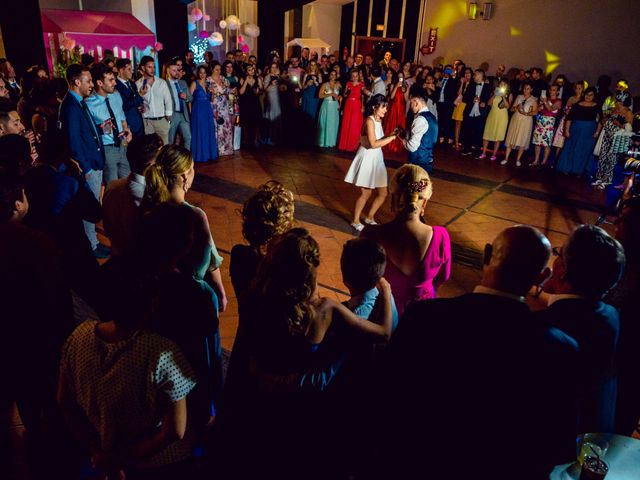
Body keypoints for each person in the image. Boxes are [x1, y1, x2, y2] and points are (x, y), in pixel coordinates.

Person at [381, 225, 568, 479]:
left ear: (487, 254)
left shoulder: (425, 318)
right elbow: (552, 447)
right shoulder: (557, 349)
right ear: (542, 276)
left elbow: (385, 397)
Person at [57, 269, 197, 479]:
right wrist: (123, 458)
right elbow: (176, 431)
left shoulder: (78, 337)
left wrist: (97, 450)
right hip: (156, 462)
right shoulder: (161, 351)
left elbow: (63, 400)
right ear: (152, 304)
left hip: (104, 454)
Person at [0, 173, 75, 480]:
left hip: (8, 344)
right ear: (18, 204)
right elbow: (57, 301)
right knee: (47, 402)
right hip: (38, 342)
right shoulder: (37, 244)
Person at [540, 225, 625, 434]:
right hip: (594, 440)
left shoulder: (544, 327)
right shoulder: (612, 316)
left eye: (558, 253)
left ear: (563, 271)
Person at [142, 145, 227, 311]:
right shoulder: (195, 215)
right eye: (192, 168)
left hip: (160, 293)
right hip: (192, 295)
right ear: (184, 177)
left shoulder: (148, 210)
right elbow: (210, 261)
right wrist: (221, 293)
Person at [361, 164, 450, 316]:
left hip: (382, 315)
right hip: (421, 316)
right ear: (424, 203)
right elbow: (443, 277)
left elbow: (360, 278)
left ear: (393, 198)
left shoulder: (370, 235)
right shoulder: (440, 237)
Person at [58, 63, 108, 258]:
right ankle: (92, 245)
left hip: (93, 162)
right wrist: (86, 168)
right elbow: (73, 140)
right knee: (89, 206)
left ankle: (92, 240)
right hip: (88, 166)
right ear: (77, 82)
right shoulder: (70, 105)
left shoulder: (77, 101)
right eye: (88, 81)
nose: (91, 85)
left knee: (93, 203)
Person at [102, 133, 163, 257]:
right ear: (152, 165)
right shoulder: (153, 197)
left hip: (117, 257)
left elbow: (108, 226)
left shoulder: (112, 186)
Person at [344, 94, 397, 231]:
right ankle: (355, 221)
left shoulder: (378, 121)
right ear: (374, 107)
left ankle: (369, 217)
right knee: (366, 194)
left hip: (377, 158)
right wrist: (391, 138)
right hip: (367, 157)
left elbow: (379, 140)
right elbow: (373, 144)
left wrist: (390, 135)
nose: (385, 110)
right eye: (383, 107)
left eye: (386, 107)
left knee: (383, 193)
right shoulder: (369, 120)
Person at [86, 63, 132, 184]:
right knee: (112, 187)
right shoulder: (89, 104)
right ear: (100, 83)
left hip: (122, 146)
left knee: (128, 183)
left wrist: (128, 131)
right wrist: (101, 129)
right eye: (111, 80)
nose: (115, 83)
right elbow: (87, 131)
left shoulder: (116, 96)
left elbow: (122, 118)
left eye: (114, 79)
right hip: (107, 150)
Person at [556, 86, 601, 176]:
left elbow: (600, 120)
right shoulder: (577, 105)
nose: (588, 97)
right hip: (576, 128)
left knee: (584, 150)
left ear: (594, 96)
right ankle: (567, 168)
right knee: (571, 147)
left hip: (589, 131)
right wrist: (567, 130)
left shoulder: (596, 106)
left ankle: (579, 170)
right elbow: (569, 118)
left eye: (591, 95)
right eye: (587, 95)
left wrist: (597, 132)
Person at [592, 91, 634, 188]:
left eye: (620, 102)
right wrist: (605, 120)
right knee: (602, 157)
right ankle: (599, 178)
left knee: (611, 159)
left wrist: (619, 124)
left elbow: (629, 128)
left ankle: (606, 180)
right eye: (617, 102)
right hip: (606, 135)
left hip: (617, 138)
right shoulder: (613, 110)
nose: (618, 104)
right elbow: (603, 120)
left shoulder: (628, 113)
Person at [136, 56, 173, 145]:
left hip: (162, 120)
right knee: (150, 149)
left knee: (164, 148)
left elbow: (168, 99)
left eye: (154, 67)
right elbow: (137, 102)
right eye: (149, 67)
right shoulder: (137, 84)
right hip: (147, 122)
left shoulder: (161, 82)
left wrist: (168, 116)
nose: (152, 70)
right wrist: (140, 107)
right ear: (143, 68)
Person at [400, 91, 438, 173]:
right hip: (427, 160)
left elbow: (412, 147)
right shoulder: (432, 117)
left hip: (417, 162)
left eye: (411, 103)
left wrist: (402, 138)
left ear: (416, 103)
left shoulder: (420, 119)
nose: (410, 106)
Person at [501, 81, 538, 166]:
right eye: (524, 88)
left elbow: (535, 112)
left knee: (522, 139)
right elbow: (511, 109)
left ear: (531, 89)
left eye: (528, 88)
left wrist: (526, 113)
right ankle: (506, 158)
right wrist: (517, 107)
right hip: (516, 119)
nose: (526, 90)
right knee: (511, 137)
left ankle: (518, 159)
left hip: (526, 121)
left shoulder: (533, 99)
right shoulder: (519, 97)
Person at [189, 65, 218, 163]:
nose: (202, 74)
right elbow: (189, 99)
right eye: (200, 72)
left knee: (208, 130)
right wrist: (190, 111)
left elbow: (211, 99)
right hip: (198, 109)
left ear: (206, 74)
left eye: (204, 73)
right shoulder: (194, 83)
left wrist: (213, 93)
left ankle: (208, 154)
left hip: (207, 109)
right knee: (199, 131)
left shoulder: (208, 84)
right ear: (198, 73)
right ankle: (199, 155)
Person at [460, 69, 491, 156]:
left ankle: (477, 152)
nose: (473, 76)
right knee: (467, 131)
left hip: (480, 113)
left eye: (475, 75)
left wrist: (484, 103)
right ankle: (466, 149)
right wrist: (471, 100)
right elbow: (464, 98)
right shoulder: (471, 85)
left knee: (478, 133)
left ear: (481, 76)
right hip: (470, 112)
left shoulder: (488, 86)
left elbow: (490, 100)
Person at [552, 80, 586, 159]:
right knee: (560, 142)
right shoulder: (571, 98)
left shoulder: (583, 100)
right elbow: (564, 109)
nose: (577, 90)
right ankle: (557, 160)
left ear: (583, 89)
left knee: (570, 142)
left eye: (579, 88)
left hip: (575, 122)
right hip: (566, 120)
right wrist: (566, 110)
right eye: (576, 88)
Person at [479, 80, 512, 160]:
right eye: (501, 84)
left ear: (507, 86)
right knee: (487, 134)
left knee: (498, 136)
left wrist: (503, 96)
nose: (502, 86)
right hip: (492, 115)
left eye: (504, 84)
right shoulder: (495, 92)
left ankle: (494, 154)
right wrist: (494, 94)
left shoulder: (509, 95)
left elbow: (508, 107)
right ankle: (484, 152)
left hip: (502, 117)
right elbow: (489, 103)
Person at [531, 83, 562, 166]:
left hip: (549, 122)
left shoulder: (558, 101)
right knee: (537, 141)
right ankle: (536, 160)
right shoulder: (546, 99)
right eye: (551, 89)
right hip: (541, 120)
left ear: (557, 92)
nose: (552, 91)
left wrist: (545, 102)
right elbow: (538, 109)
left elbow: (551, 109)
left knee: (546, 143)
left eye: (554, 90)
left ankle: (544, 161)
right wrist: (540, 104)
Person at [115, 58, 145, 138]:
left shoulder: (132, 83)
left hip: (139, 123)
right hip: (128, 125)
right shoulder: (115, 86)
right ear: (121, 70)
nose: (132, 71)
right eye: (129, 69)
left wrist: (141, 106)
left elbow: (136, 101)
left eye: (132, 69)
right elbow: (124, 105)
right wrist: (140, 96)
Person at [166, 58, 192, 150]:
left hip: (183, 114)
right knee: (170, 140)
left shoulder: (183, 83)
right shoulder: (164, 84)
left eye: (177, 70)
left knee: (188, 137)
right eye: (174, 70)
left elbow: (191, 98)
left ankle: (186, 160)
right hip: (172, 115)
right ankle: (169, 161)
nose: (176, 72)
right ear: (168, 71)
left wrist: (186, 98)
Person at [209, 62, 234, 155]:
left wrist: (232, 91)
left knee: (226, 126)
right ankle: (218, 150)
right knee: (217, 127)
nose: (219, 71)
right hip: (215, 106)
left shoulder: (223, 79)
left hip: (225, 106)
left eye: (220, 69)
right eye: (216, 69)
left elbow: (229, 92)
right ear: (212, 69)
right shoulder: (208, 80)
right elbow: (208, 95)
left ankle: (227, 149)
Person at [337, 69, 364, 152]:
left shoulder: (361, 84)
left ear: (358, 76)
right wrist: (346, 92)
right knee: (346, 123)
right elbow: (345, 95)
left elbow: (363, 96)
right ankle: (344, 145)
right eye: (353, 76)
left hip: (357, 104)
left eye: (356, 76)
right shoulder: (348, 84)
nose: (355, 77)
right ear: (351, 76)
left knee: (355, 124)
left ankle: (353, 146)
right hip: (348, 104)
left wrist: (363, 106)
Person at [238, 64, 263, 149]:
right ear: (246, 71)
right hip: (246, 103)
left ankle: (256, 140)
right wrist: (246, 80)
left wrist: (258, 91)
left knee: (256, 122)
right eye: (249, 69)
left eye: (252, 69)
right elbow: (241, 92)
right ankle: (245, 141)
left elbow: (261, 90)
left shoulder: (257, 79)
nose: (251, 71)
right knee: (245, 122)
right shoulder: (242, 79)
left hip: (255, 103)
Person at [382, 71, 407, 154]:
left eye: (402, 77)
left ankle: (398, 145)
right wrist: (396, 86)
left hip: (401, 108)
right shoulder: (393, 85)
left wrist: (404, 90)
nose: (400, 78)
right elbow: (392, 96)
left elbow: (406, 100)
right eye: (399, 76)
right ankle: (389, 144)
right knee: (392, 125)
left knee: (400, 126)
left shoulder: (406, 86)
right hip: (394, 108)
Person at [316, 69, 341, 148]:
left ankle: (332, 142)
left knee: (333, 123)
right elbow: (319, 96)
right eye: (332, 74)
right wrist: (331, 94)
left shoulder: (338, 85)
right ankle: (323, 141)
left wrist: (340, 98)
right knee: (325, 123)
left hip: (335, 106)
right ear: (329, 75)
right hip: (326, 105)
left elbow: (341, 95)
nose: (333, 76)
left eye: (334, 74)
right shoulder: (325, 85)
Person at [435, 65, 458, 145]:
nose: (447, 71)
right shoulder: (440, 80)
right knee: (440, 121)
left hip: (447, 104)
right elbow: (437, 90)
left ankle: (446, 139)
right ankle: (439, 138)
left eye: (449, 70)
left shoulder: (452, 81)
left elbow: (455, 84)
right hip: (440, 103)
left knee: (447, 122)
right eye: (446, 70)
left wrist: (453, 75)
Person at [262, 62, 283, 146]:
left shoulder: (278, 77)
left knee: (277, 119)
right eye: (272, 67)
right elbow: (265, 90)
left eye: (275, 67)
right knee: (271, 119)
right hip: (271, 99)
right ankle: (269, 139)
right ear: (270, 68)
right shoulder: (267, 77)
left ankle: (276, 139)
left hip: (278, 100)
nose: (274, 69)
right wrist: (271, 84)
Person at [451, 67, 472, 150]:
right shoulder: (462, 82)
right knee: (458, 123)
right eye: (465, 73)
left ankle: (462, 142)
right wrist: (462, 83)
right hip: (460, 104)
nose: (467, 74)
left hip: (467, 105)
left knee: (465, 124)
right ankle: (456, 142)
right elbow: (459, 93)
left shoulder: (473, 84)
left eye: (469, 73)